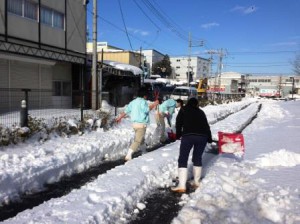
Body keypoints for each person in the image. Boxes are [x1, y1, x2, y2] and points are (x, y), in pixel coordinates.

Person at [171, 97, 212, 193]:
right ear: (197, 104)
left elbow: (178, 123)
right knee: (197, 158)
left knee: (183, 158)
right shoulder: (201, 112)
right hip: (202, 137)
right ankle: (196, 182)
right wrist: (209, 138)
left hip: (188, 136)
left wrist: (178, 135)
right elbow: (206, 126)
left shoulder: (183, 109)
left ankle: (181, 186)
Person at [116, 87, 159, 161]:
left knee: (141, 139)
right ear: (144, 95)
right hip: (141, 124)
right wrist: (154, 104)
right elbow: (146, 110)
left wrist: (120, 117)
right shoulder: (143, 102)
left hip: (134, 124)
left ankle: (144, 151)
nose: (146, 97)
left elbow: (126, 111)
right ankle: (128, 155)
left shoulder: (133, 102)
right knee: (137, 140)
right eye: (146, 95)